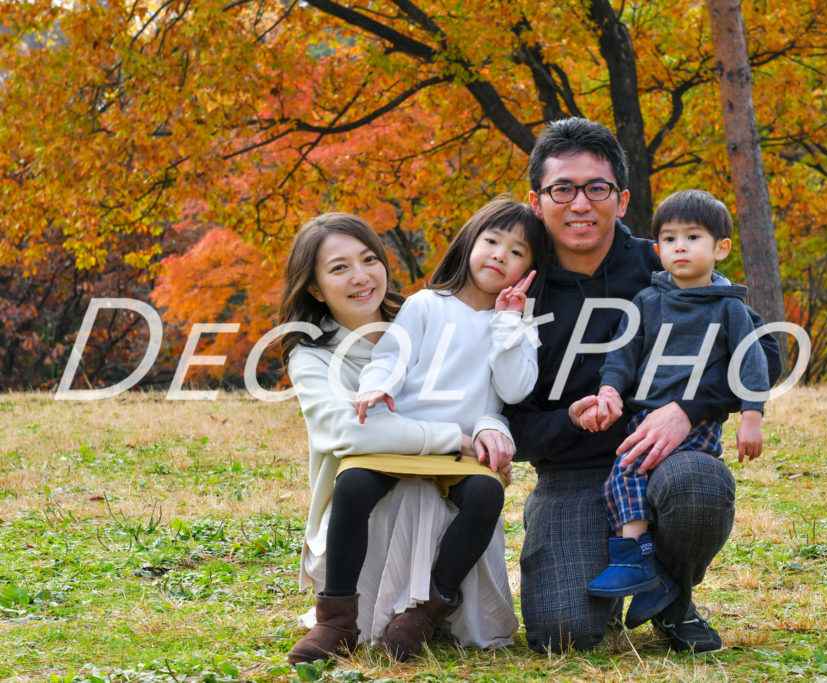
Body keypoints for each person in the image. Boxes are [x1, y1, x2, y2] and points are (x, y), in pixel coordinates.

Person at [500, 117, 782, 654]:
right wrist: (571, 419)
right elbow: (506, 415)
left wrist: (690, 408)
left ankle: (671, 602)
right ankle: (607, 573)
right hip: (572, 472)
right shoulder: (518, 286)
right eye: (562, 189)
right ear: (537, 202)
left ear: (621, 199)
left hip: (667, 458)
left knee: (698, 485)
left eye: (596, 188)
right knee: (562, 635)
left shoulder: (668, 261)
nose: (580, 203)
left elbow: (766, 353)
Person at [277, 207, 537, 663]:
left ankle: (428, 609)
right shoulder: (424, 306)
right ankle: (336, 619)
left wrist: (508, 329)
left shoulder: (513, 325)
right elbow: (389, 362)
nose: (500, 256)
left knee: (485, 495)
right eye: (492, 241)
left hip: (453, 457)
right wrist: (380, 386)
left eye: (518, 252)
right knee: (354, 483)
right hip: (405, 448)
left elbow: (512, 392)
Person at [577, 189, 770, 628]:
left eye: (693, 237)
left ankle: (656, 575)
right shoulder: (647, 301)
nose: (680, 247)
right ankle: (639, 560)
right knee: (622, 477)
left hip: (697, 425)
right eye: (669, 239)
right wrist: (609, 392)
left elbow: (753, 363)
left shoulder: (729, 307)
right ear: (657, 248)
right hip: (643, 417)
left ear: (721, 248)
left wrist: (751, 417)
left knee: (678, 483)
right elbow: (621, 357)